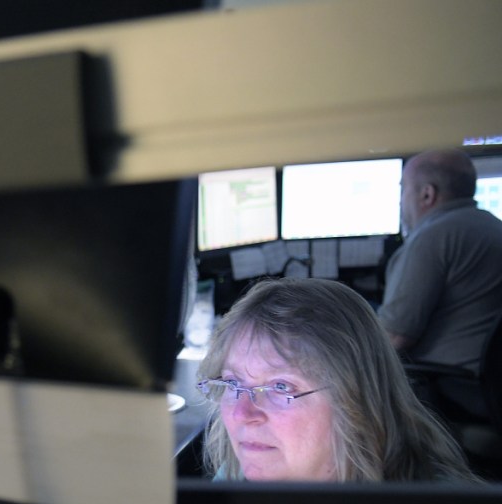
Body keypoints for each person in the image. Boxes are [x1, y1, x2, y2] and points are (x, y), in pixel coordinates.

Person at [195, 277, 481, 483]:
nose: (241, 414)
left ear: (354, 401)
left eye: (280, 387)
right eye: (233, 383)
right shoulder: (236, 475)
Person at [378, 148, 502, 418]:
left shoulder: (432, 238)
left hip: (452, 392)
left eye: (403, 191)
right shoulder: (495, 228)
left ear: (426, 194)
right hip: (488, 389)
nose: (400, 203)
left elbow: (395, 336)